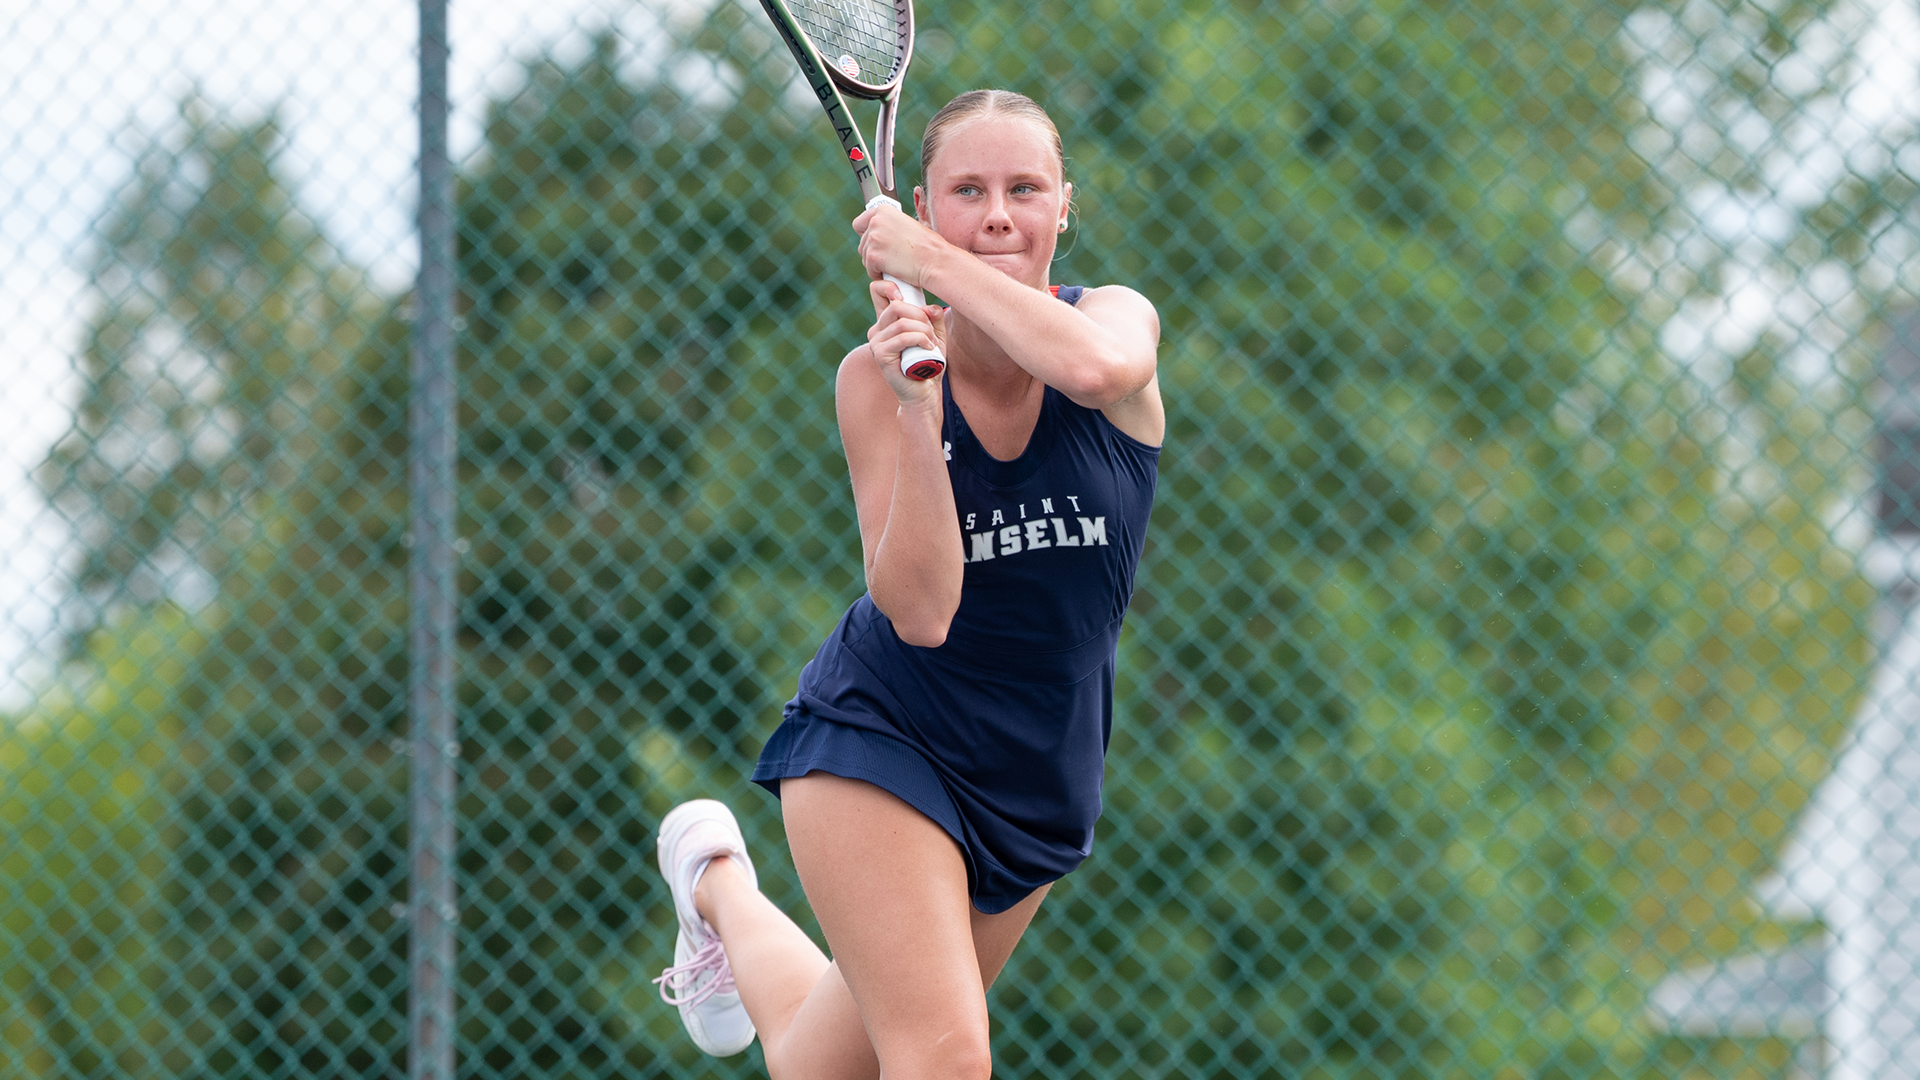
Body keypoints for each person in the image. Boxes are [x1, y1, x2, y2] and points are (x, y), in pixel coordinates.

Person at [652, 88, 1164, 1080]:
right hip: (887, 734)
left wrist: (931, 269)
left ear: (1066, 208)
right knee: (945, 1062)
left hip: (1038, 775)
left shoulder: (1115, 326)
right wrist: (917, 411)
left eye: (1025, 189)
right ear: (927, 205)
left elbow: (1096, 372)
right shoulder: (872, 378)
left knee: (817, 1068)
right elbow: (922, 612)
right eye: (967, 192)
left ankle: (713, 879)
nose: (998, 215)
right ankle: (717, 877)